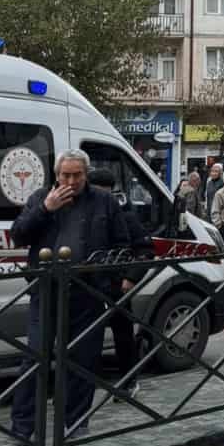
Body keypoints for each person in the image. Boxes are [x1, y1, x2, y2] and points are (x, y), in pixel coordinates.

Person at [10, 150, 132, 446]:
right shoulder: (41, 197)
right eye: (66, 175)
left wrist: (121, 279)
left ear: (86, 174)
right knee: (35, 359)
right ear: (56, 175)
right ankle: (22, 431)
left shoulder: (104, 201)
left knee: (81, 360)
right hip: (46, 291)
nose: (71, 180)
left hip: (87, 293)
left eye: (77, 175)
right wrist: (46, 209)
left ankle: (75, 424)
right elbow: (18, 235)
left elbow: (122, 242)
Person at [87, 168, 154, 397]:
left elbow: (144, 249)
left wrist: (130, 278)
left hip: (116, 285)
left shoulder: (125, 215)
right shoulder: (82, 212)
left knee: (123, 335)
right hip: (87, 285)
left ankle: (128, 382)